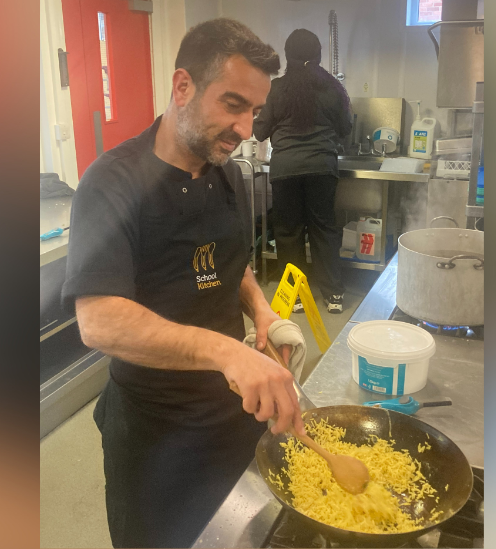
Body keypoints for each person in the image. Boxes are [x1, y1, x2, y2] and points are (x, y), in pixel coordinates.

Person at [61, 18, 305, 549]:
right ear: (182, 87)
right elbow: (99, 320)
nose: (246, 129)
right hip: (153, 433)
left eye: (256, 112)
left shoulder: (229, 175)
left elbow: (230, 262)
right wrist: (228, 353)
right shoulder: (110, 183)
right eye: (234, 104)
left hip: (233, 415)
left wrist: (261, 311)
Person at [253, 28, 353, 314]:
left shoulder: (277, 89)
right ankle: (334, 295)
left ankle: (294, 296)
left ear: (288, 56)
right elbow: (346, 128)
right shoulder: (333, 87)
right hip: (322, 168)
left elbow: (260, 131)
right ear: (318, 55)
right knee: (324, 229)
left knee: (288, 232)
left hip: (286, 171)